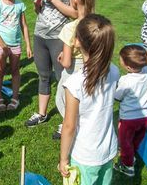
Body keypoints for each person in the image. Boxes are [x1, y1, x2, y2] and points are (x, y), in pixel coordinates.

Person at [58, 14, 120, 185]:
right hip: (108, 149)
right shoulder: (114, 71)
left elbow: (69, 126)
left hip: (85, 155)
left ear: (77, 41)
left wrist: (63, 159)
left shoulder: (74, 83)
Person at [26, 0, 79, 127]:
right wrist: (37, 3)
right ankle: (41, 113)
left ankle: (67, 120)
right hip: (40, 35)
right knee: (43, 75)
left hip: (60, 38)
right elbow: (38, 11)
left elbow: (76, 13)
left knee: (64, 78)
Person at [53, 0, 96, 139]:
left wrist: (64, 57)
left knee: (64, 100)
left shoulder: (71, 28)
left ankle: (70, 126)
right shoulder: (97, 23)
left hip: (73, 71)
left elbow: (66, 62)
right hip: (92, 67)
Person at [0, 0, 32, 111]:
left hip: (15, 44)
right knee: (0, 71)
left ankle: (15, 98)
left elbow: (24, 26)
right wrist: (3, 46)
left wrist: (28, 46)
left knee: (15, 70)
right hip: (0, 45)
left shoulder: (20, 4)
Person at [113, 45, 147, 177]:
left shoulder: (126, 80)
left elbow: (117, 96)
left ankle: (127, 166)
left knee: (125, 142)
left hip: (128, 119)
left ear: (129, 67)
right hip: (144, 117)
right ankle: (132, 156)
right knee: (136, 139)